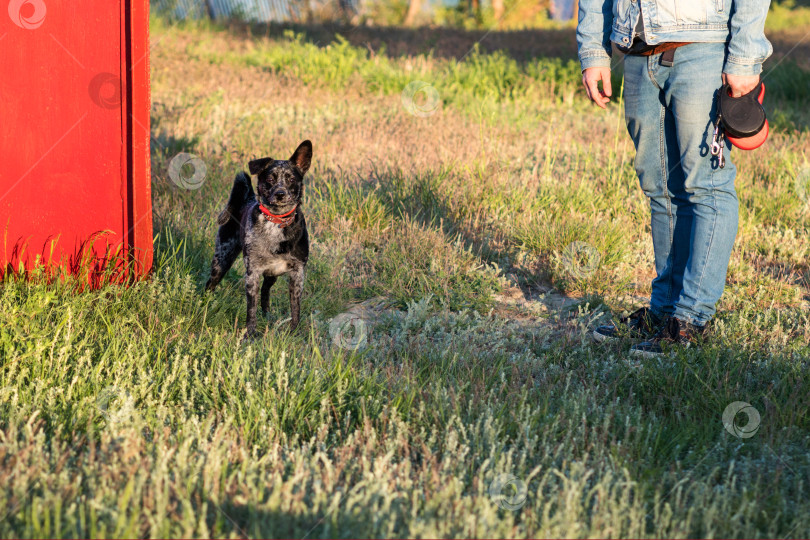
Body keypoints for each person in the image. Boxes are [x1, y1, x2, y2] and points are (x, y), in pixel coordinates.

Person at [578, 0, 772, 357]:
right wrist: (593, 50)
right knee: (660, 188)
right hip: (637, 50)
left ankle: (691, 320)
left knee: (706, 187)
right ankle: (665, 311)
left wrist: (745, 55)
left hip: (702, 49)